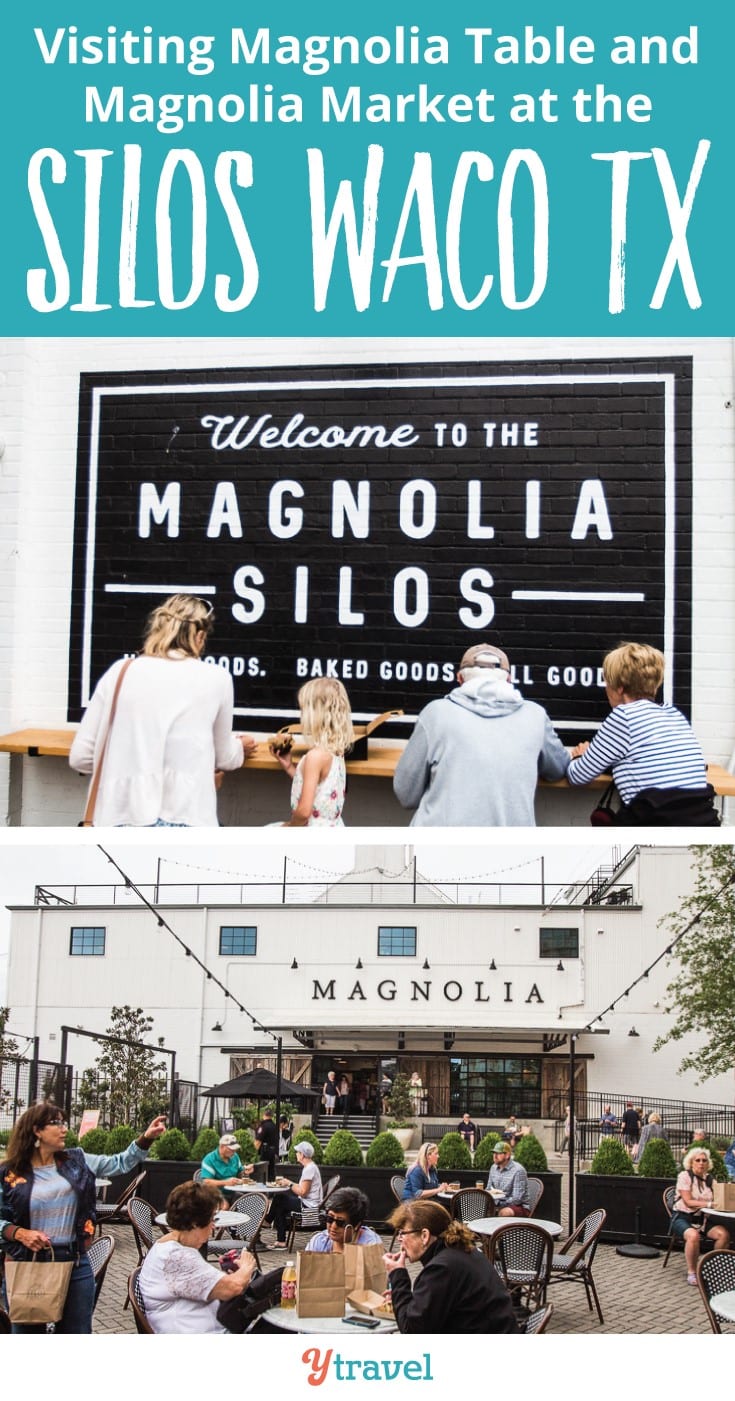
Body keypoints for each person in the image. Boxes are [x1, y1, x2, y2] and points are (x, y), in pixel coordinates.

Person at [69, 594, 256, 826]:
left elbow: (80, 757)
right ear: (199, 636)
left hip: (118, 818)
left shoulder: (120, 671)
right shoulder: (217, 679)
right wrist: (240, 747)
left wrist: (129, 765)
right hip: (184, 816)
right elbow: (225, 757)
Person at [0, 1103, 166, 1334]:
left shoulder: (77, 1160)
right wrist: (19, 1233)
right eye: (56, 1123)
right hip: (28, 1262)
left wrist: (146, 1139)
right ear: (36, 1130)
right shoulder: (8, 1173)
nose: (64, 1129)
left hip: (75, 1262)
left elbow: (120, 1162)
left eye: (64, 1122)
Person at [393, 641, 570, 826]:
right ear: (508, 680)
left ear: (460, 679)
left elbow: (406, 794)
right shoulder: (536, 716)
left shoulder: (435, 713)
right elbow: (557, 769)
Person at [567, 642, 720, 826]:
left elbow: (577, 776)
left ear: (620, 688)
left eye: (607, 682)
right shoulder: (673, 714)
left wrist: (580, 757)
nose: (605, 688)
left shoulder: (623, 716)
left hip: (656, 822)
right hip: (704, 821)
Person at [383, 1200, 518, 1333]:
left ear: (425, 1235)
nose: (400, 1240)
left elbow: (412, 1330)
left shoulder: (442, 1268)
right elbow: (433, 1306)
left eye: (403, 1233)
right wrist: (402, 1296)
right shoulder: (463, 1251)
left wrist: (398, 1274)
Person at [139, 1180, 257, 1332]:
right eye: (211, 1220)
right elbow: (233, 1288)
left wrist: (227, 1275)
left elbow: (204, 1283)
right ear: (195, 1223)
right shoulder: (176, 1257)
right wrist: (247, 1266)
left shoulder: (166, 1247)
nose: (213, 1228)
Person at [271, 677, 354, 826]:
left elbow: (303, 813)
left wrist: (289, 827)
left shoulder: (315, 757)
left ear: (314, 714)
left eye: (303, 709)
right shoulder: (337, 750)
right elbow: (321, 791)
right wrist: (290, 767)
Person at [669, 1147, 730, 1285]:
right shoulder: (685, 1176)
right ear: (691, 1162)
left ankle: (715, 1268)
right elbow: (688, 1201)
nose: (701, 1163)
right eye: (698, 1160)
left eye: (704, 1160)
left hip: (702, 1219)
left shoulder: (709, 1179)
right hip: (682, 1216)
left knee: (724, 1235)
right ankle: (692, 1272)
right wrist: (709, 1204)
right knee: (693, 1236)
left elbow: (719, 1199)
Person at [269, 1141, 322, 1247]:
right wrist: (289, 1182)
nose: (296, 1154)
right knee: (280, 1204)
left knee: (279, 1199)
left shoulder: (309, 1169)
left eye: (297, 1152)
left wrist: (288, 1183)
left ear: (302, 1155)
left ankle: (267, 1220)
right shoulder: (310, 1167)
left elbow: (303, 1192)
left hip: (308, 1206)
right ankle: (281, 1240)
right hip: (308, 1203)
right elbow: (303, 1189)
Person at [305, 1187, 382, 1253]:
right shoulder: (319, 1241)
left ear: (356, 1225)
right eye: (330, 1219)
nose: (333, 1226)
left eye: (340, 1222)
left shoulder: (371, 1246)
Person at [485, 1141, 531, 1217]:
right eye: (494, 1153)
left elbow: (517, 1199)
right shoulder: (493, 1167)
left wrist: (498, 1203)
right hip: (498, 1203)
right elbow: (488, 1189)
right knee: (477, 1207)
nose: (495, 1156)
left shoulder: (518, 1170)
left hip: (519, 1207)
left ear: (507, 1155)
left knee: (504, 1212)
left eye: (498, 1153)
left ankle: (499, 1229)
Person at [254, 1109, 278, 1180]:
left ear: (264, 1115)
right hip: (273, 1153)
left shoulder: (263, 1126)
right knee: (271, 1174)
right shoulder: (274, 1126)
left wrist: (253, 1154)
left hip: (264, 1154)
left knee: (262, 1174)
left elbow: (257, 1142)